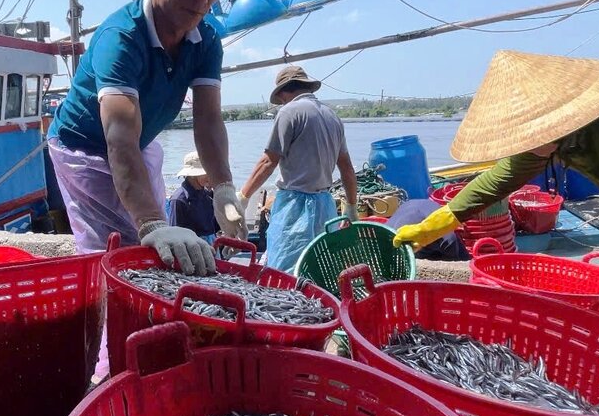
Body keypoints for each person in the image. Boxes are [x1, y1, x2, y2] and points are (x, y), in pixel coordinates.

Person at [390, 51, 599, 416]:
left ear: (563, 119)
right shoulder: (558, 138)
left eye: (528, 132)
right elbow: (500, 178)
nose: (523, 144)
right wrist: (439, 222)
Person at [47, 0, 246, 277]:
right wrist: (152, 224)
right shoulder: (120, 38)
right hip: (83, 147)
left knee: (160, 252)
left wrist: (224, 187)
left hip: (139, 143)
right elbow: (118, 139)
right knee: (120, 253)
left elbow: (208, 119)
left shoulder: (207, 40)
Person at [238, 66, 359, 273]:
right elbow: (347, 168)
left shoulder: (289, 112)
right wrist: (351, 207)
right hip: (325, 207)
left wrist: (243, 197)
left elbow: (268, 162)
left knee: (286, 271)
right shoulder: (332, 116)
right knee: (320, 269)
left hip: (295, 208)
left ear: (284, 93)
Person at [387, 199, 469, 261]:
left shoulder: (446, 238)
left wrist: (454, 260)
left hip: (422, 209)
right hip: (411, 207)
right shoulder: (387, 234)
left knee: (462, 258)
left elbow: (451, 241)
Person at [168, 151, 219, 243]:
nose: (211, 176)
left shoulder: (207, 195)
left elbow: (213, 226)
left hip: (211, 243)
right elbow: (175, 236)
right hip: (192, 246)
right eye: (207, 173)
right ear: (193, 176)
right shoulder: (179, 200)